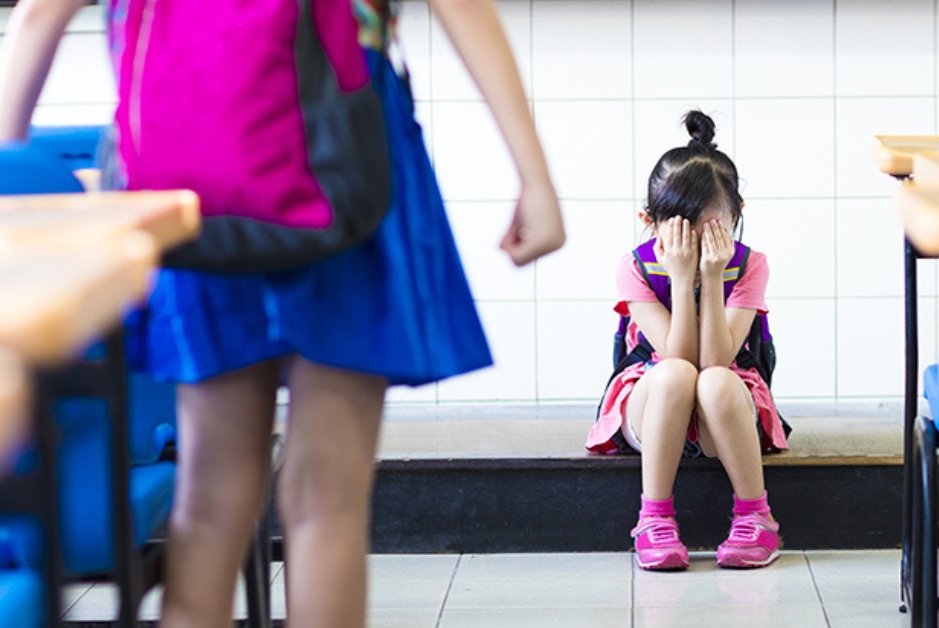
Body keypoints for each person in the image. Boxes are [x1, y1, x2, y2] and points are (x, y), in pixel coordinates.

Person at [0, 0, 564, 626]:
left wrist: (8, 182)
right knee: (327, 497)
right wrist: (533, 175)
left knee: (209, 497)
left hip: (196, 184)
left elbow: (38, 16)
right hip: (344, 160)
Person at [586, 110, 787, 571]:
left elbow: (718, 361)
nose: (695, 250)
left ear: (737, 218)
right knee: (676, 372)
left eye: (712, 232)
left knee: (715, 380)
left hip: (724, 407)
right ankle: (654, 519)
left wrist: (712, 279)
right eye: (680, 233)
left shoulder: (749, 265)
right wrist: (681, 279)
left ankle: (757, 518)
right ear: (649, 221)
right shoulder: (634, 267)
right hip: (657, 398)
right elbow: (679, 360)